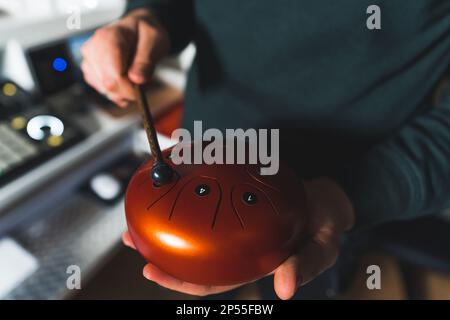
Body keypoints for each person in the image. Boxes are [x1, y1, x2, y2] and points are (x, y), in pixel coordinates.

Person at [80, 0, 450, 299]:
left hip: (334, 197)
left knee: (295, 290)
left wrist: (352, 195)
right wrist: (147, 17)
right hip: (200, 150)